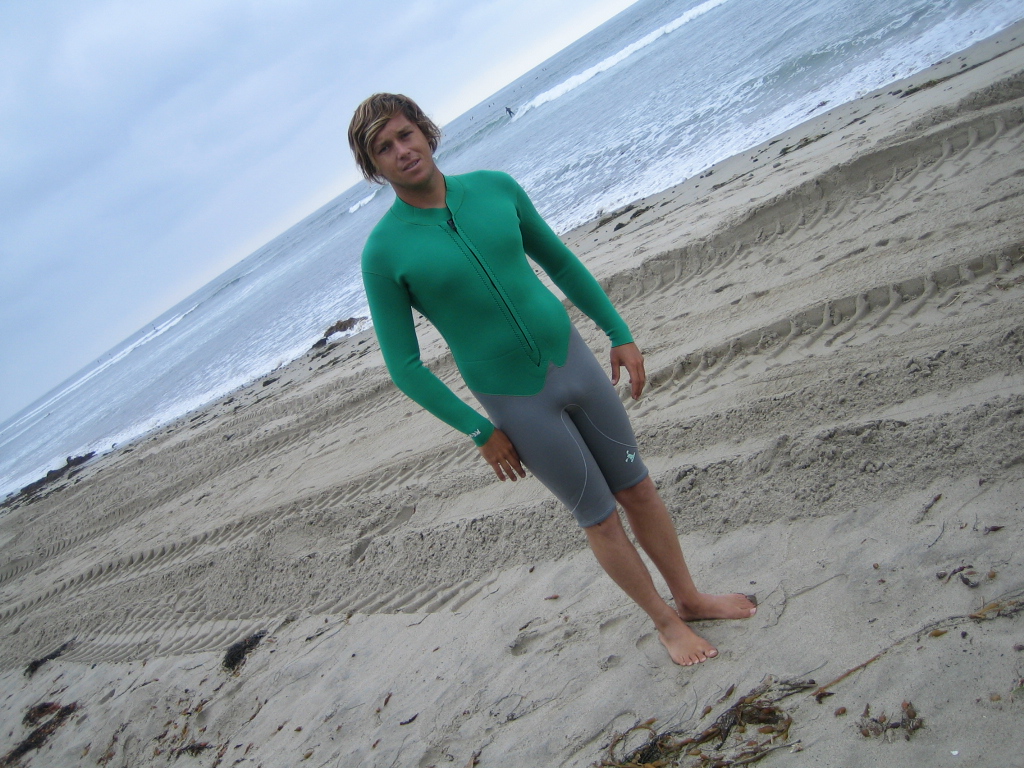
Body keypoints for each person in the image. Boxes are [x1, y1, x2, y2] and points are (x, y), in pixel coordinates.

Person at [349, 93, 755, 666]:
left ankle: (689, 598)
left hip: (576, 365)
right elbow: (404, 366)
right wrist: (479, 431)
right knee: (599, 515)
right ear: (373, 166)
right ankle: (665, 623)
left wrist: (618, 331)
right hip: (517, 402)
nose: (401, 151)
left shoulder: (496, 189)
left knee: (637, 486)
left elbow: (559, 262)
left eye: (405, 134)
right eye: (383, 148)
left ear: (425, 131)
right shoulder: (383, 252)